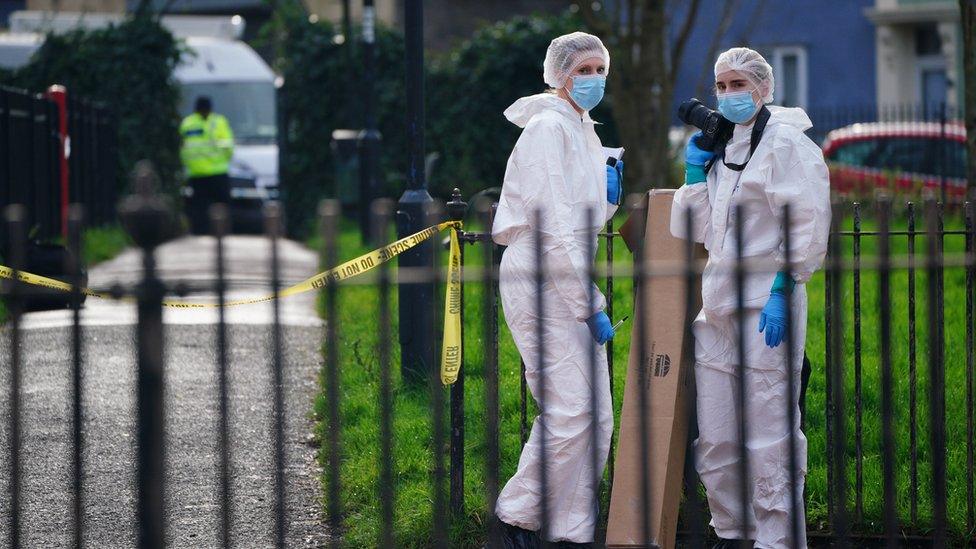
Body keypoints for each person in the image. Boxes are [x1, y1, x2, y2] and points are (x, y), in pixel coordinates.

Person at [670, 47, 830, 549]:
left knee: (770, 432)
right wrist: (696, 175)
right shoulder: (726, 148)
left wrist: (784, 287)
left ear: (763, 88)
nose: (727, 94)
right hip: (718, 305)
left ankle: (777, 539)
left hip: (767, 304)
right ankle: (732, 530)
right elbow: (697, 230)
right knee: (715, 437)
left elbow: (805, 223)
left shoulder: (786, 144)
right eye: (721, 85)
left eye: (738, 84)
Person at [490, 32, 622, 548]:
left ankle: (571, 530)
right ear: (559, 74)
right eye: (581, 70)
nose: (592, 79)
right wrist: (586, 302)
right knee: (571, 410)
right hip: (541, 276)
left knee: (597, 415)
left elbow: (579, 217)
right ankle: (516, 518)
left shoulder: (581, 128)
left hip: (564, 274)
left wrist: (608, 194)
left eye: (599, 69)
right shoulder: (548, 126)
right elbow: (551, 226)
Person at [179, 96, 234, 234]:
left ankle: (201, 233)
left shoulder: (187, 124)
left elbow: (182, 149)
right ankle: (222, 231)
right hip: (216, 173)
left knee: (199, 208)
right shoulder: (219, 122)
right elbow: (229, 147)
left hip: (198, 174)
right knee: (221, 207)